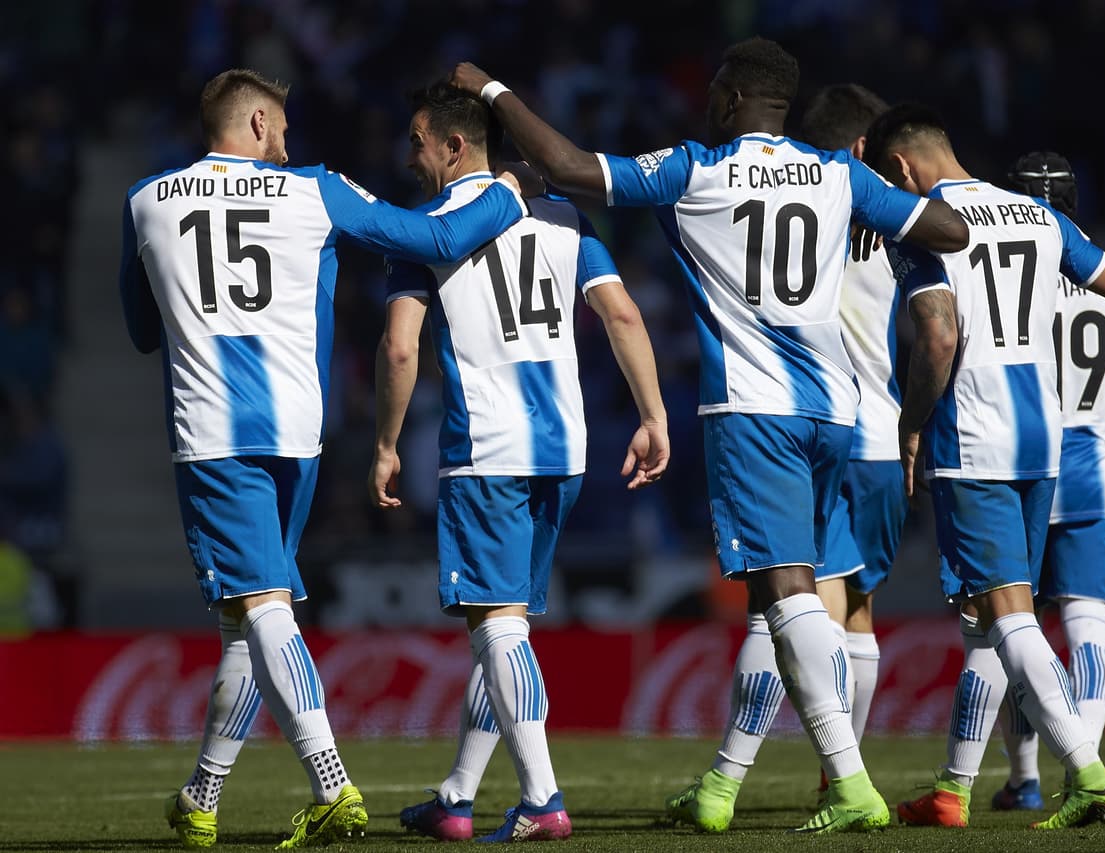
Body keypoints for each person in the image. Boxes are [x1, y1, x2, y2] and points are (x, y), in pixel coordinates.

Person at [450, 37, 971, 834]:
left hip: (755, 410)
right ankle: (733, 781)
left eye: (712, 93)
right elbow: (949, 230)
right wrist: (878, 219)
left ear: (731, 100)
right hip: (835, 411)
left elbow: (570, 166)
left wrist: (489, 89)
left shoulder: (697, 168)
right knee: (788, 593)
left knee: (787, 591)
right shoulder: (838, 174)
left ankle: (849, 781)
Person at [119, 68, 531, 849]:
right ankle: (202, 792)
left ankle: (332, 782)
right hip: (298, 434)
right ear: (258, 124)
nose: (288, 138)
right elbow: (437, 239)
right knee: (247, 615)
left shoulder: (146, 199)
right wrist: (506, 195)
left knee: (260, 605)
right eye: (281, 125)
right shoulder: (317, 189)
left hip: (214, 434)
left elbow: (142, 331)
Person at [863, 104, 1105, 831]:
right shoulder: (1039, 219)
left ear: (900, 168)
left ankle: (1087, 774)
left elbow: (938, 338)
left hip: (974, 437)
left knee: (1006, 615)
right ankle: (953, 788)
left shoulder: (920, 228)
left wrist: (910, 424)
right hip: (1043, 442)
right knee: (1003, 618)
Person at [366, 81, 668, 843]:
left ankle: (541, 798)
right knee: (504, 626)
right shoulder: (565, 217)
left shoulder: (423, 231)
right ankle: (457, 795)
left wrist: (386, 443)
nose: (410, 156)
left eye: (417, 141)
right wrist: (652, 414)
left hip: (487, 447)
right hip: (563, 448)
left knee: (497, 627)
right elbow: (622, 312)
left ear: (454, 145)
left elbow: (400, 347)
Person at [650, 82, 911, 828]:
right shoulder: (871, 213)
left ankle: (809, 781)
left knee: (783, 607)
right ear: (860, 150)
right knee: (848, 615)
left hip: (798, 419)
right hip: (873, 433)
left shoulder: (795, 201)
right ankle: (797, 779)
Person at [988, 152, 1105, 811]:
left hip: (1022, 465)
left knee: (1014, 632)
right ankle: (1086, 768)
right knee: (1090, 635)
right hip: (1095, 474)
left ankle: (1025, 778)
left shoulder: (1007, 276)